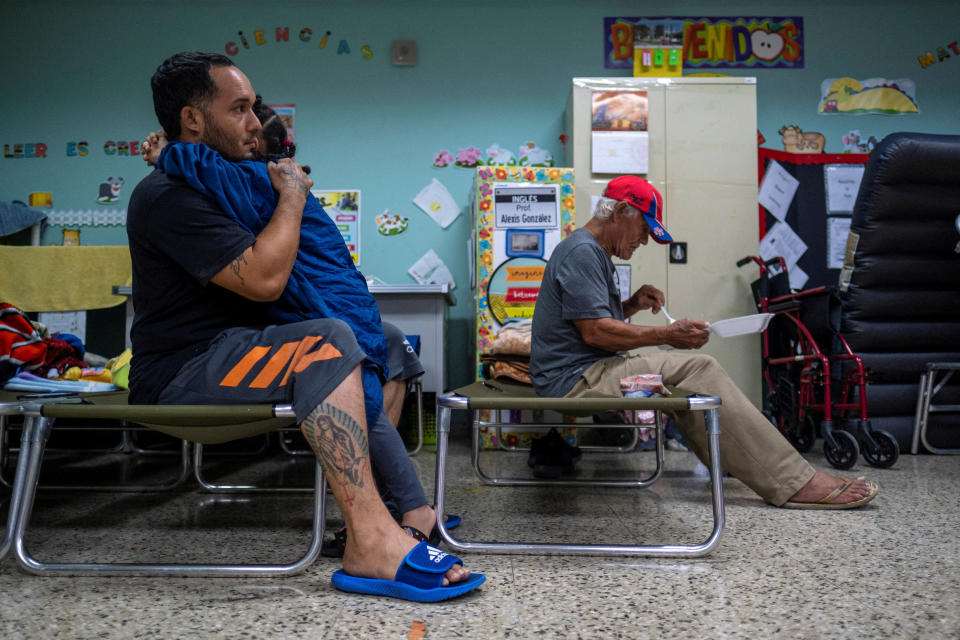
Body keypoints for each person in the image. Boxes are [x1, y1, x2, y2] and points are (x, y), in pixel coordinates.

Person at [127, 51, 483, 601]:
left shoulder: (223, 180)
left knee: (384, 342)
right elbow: (267, 279)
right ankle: (372, 540)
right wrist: (293, 194)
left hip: (239, 348)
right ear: (193, 121)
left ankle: (381, 506)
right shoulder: (167, 196)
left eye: (253, 108)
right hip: (183, 368)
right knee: (332, 341)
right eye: (239, 108)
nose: (254, 123)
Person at [530, 175, 879, 509]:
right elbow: (595, 332)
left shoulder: (592, 252)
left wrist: (631, 305)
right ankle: (795, 481)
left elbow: (586, 323)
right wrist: (667, 335)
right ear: (621, 212)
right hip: (575, 381)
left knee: (692, 383)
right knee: (700, 367)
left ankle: (750, 466)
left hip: (583, 371)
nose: (645, 240)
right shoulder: (582, 252)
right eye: (644, 229)